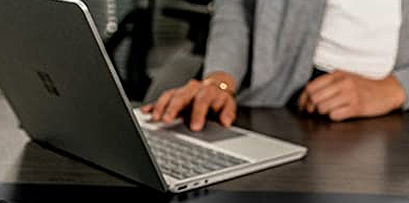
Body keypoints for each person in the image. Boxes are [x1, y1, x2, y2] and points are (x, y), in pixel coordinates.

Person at [142, 0, 409, 130]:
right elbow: (238, 6)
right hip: (278, 98)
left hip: (392, 113)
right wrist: (219, 82)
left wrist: (398, 88)